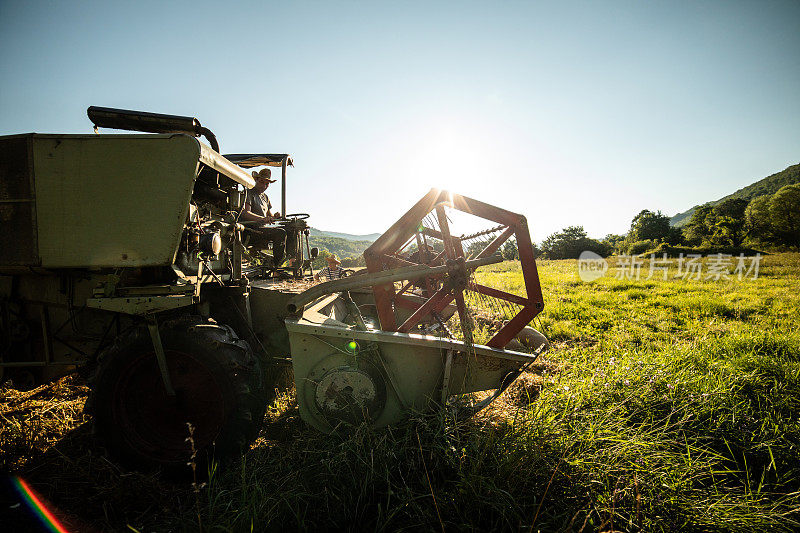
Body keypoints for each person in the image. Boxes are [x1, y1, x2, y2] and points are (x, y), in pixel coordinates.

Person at [242, 168, 286, 267]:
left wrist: (275, 216)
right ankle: (276, 267)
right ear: (256, 180)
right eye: (262, 182)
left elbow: (269, 216)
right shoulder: (249, 193)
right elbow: (246, 213)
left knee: (290, 229)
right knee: (280, 232)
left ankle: (292, 261)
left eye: (267, 184)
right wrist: (262, 219)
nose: (264, 186)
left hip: (262, 229)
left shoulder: (265, 197)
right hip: (251, 230)